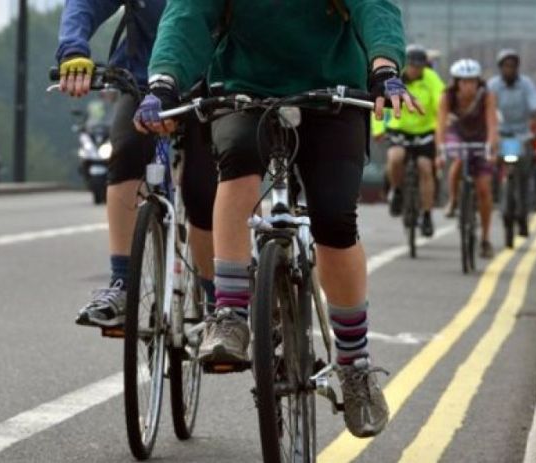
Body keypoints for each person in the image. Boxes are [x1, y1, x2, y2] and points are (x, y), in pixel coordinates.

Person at [133, 0, 415, 438]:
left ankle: (354, 364)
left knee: (335, 219)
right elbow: (187, 13)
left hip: (332, 91)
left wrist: (384, 67)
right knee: (238, 166)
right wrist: (164, 82)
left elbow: (373, 7)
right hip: (244, 88)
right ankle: (230, 312)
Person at [56, 0, 217, 326]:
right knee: (126, 152)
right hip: (144, 81)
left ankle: (219, 300)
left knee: (203, 188)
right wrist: (73, 50)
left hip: (211, 84)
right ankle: (122, 284)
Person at [436, 58, 499, 258]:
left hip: (480, 137)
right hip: (458, 134)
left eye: (472, 81)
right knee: (459, 159)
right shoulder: (447, 96)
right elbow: (440, 125)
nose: (468, 86)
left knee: (484, 188)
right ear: (456, 83)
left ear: (478, 82)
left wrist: (491, 147)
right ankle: (454, 199)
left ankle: (485, 239)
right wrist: (440, 150)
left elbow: (492, 124)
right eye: (464, 81)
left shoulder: (487, 96)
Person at [383, 44, 445, 237]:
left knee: (425, 167)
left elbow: (440, 101)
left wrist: (443, 120)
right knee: (395, 157)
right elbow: (383, 102)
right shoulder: (395, 79)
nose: (415, 70)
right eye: (412, 65)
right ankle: (396, 190)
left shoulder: (431, 78)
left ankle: (426, 214)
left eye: (419, 66)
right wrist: (378, 128)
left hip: (424, 131)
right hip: (399, 128)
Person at [487, 49, 536, 237]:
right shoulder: (492, 85)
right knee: (491, 166)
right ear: (500, 68)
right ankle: (495, 192)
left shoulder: (526, 84)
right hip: (500, 134)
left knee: (524, 176)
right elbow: (486, 109)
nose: (509, 69)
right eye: (506, 66)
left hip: (521, 135)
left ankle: (523, 214)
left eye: (513, 66)